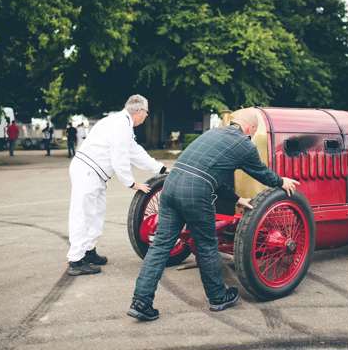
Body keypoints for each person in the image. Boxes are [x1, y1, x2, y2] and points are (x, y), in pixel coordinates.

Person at [128, 107, 299, 321]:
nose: (253, 135)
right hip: (194, 191)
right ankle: (218, 297)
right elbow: (261, 173)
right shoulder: (244, 144)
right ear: (250, 128)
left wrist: (237, 199)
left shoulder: (211, 134)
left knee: (160, 245)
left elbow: (208, 174)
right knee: (207, 244)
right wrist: (282, 181)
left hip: (171, 185)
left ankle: (141, 302)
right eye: (254, 131)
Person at [67, 94, 167, 276]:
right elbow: (119, 157)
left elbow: (135, 152)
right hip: (87, 171)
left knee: (96, 214)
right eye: (146, 112)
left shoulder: (123, 124)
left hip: (94, 174)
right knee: (83, 214)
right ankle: (76, 260)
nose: (146, 116)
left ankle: (88, 251)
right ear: (139, 111)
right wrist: (131, 183)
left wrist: (160, 168)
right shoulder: (120, 125)